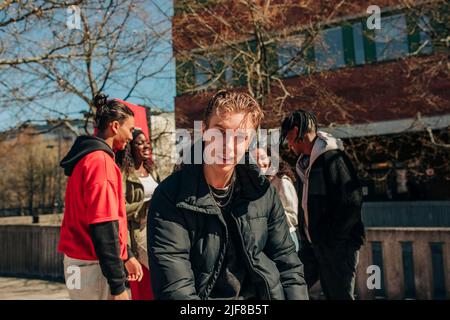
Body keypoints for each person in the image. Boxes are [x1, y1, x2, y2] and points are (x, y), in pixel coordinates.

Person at [147, 90, 308, 300]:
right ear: (204, 131)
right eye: (220, 132)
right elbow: (175, 290)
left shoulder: (263, 193)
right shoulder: (170, 196)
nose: (228, 145)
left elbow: (288, 264)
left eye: (240, 137)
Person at [58, 93, 143, 300]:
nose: (131, 137)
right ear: (115, 126)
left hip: (80, 265)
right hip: (92, 268)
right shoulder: (100, 163)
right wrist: (118, 286)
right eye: (130, 129)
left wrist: (127, 255)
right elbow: (103, 224)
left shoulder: (86, 159)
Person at [280, 109, 365, 300]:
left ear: (296, 131)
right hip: (314, 247)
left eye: (288, 137)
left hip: (336, 247)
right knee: (291, 288)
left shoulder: (332, 158)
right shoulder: (305, 164)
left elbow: (352, 201)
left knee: (338, 296)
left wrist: (331, 239)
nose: (288, 143)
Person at [116, 128, 159, 300]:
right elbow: (118, 209)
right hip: (137, 234)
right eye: (139, 143)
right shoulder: (124, 174)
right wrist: (145, 205)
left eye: (147, 142)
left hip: (157, 230)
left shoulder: (152, 171)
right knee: (146, 283)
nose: (145, 146)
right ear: (130, 148)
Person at [254, 147, 300, 251]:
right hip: (268, 239)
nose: (259, 162)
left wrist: (270, 214)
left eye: (262, 157)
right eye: (255, 159)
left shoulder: (282, 182)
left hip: (286, 237)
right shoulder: (261, 183)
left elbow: (293, 216)